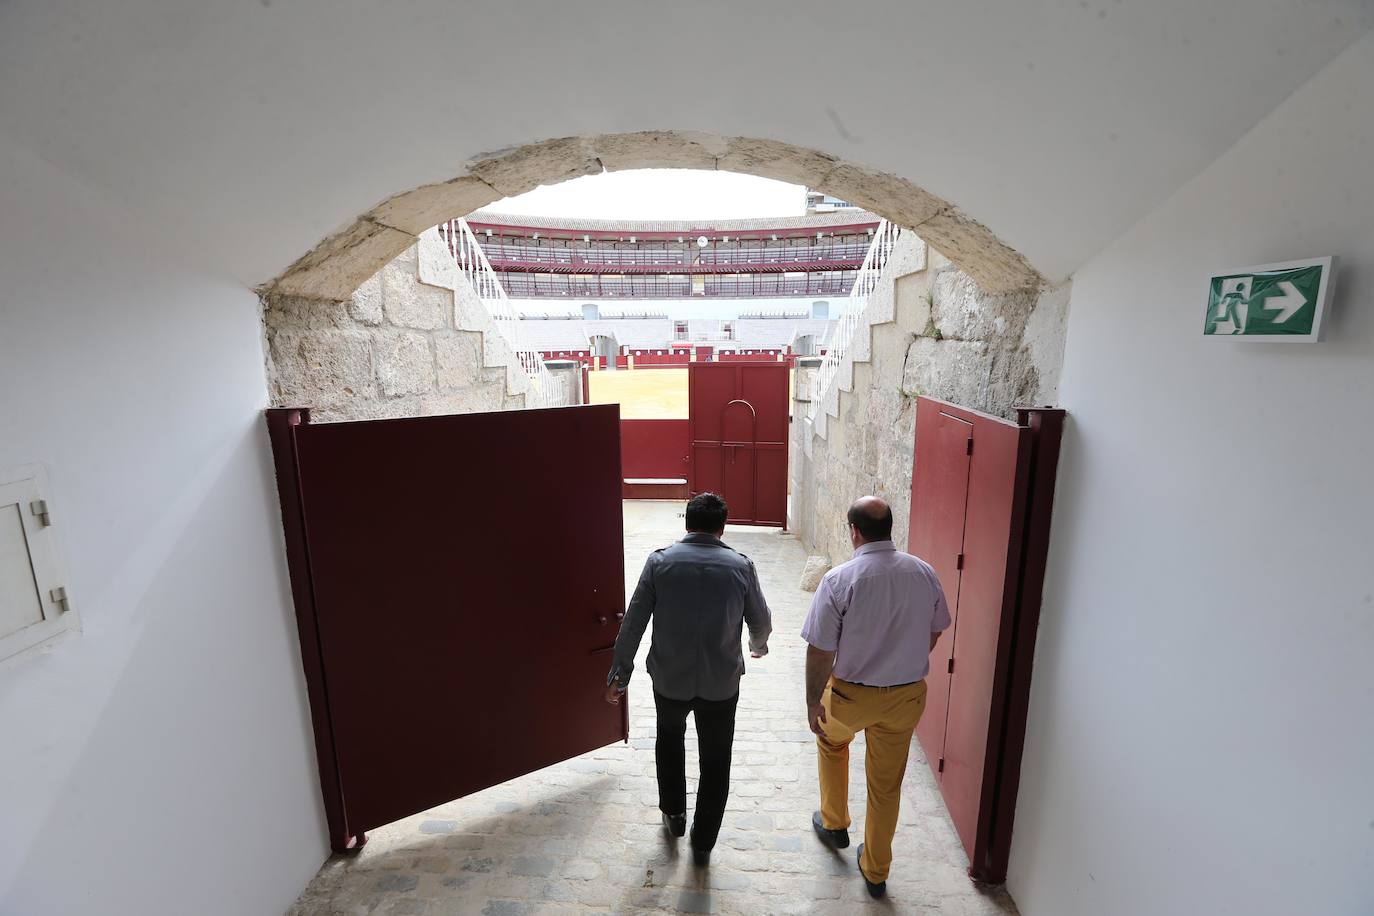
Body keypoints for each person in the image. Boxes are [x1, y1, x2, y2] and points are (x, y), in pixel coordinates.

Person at [604, 492, 772, 866]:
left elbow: (634, 622)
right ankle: (704, 839)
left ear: (687, 524)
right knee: (716, 757)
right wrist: (757, 645)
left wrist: (620, 672)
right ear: (722, 528)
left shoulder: (659, 563)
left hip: (670, 678)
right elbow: (760, 620)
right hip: (720, 683)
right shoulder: (740, 566)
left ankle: (674, 814)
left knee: (669, 741)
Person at [800, 496, 951, 898]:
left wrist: (814, 700)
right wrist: (903, 662)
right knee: (886, 784)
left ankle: (834, 824)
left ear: (854, 531)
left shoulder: (840, 580)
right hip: (905, 698)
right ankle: (876, 869)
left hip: (850, 696)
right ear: (890, 528)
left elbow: (819, 649)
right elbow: (935, 630)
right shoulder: (924, 573)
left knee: (833, 745)